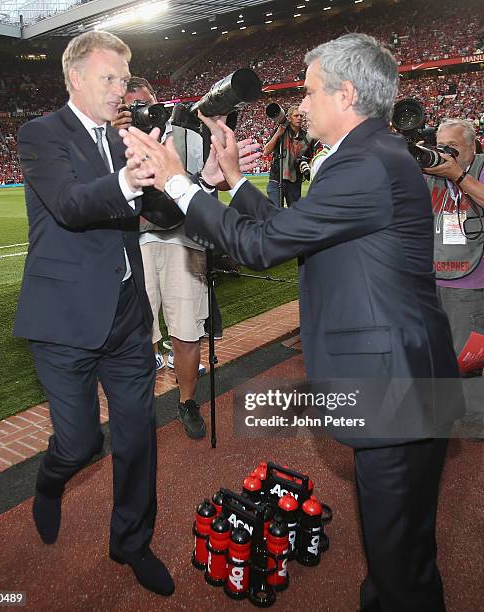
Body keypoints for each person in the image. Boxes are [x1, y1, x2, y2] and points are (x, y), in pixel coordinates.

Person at [121, 33, 463, 611]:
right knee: (397, 550)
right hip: (402, 376)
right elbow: (301, 227)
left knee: (401, 563)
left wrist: (179, 181)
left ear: (346, 93)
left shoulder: (367, 163)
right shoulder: (372, 155)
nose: (299, 107)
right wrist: (234, 182)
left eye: (307, 93)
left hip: (393, 387)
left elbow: (262, 248)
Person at [14, 31, 180, 596]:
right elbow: (70, 204)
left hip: (127, 320)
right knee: (82, 442)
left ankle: (131, 542)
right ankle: (51, 479)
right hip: (64, 323)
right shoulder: (41, 134)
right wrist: (129, 178)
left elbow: (157, 211)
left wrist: (187, 182)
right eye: (108, 79)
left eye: (124, 80)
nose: (120, 90)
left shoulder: (124, 138)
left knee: (137, 436)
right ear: (75, 79)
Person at [114, 76, 209, 439]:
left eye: (146, 101)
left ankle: (186, 402)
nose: (141, 109)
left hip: (182, 241)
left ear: (158, 101)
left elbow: (203, 184)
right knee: (140, 333)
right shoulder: (111, 139)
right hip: (136, 244)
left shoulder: (184, 130)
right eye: (132, 104)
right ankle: (143, 405)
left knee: (187, 331)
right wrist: (113, 137)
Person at [423, 118, 484, 421]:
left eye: (454, 148)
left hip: (469, 282)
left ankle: (475, 418)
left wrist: (458, 175)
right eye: (441, 147)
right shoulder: (430, 172)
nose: (446, 154)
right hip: (433, 278)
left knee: (468, 356)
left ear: (473, 147)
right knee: (438, 352)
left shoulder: (480, 167)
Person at [263, 104, 311, 207]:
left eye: (301, 116)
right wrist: (278, 134)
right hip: (276, 178)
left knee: (294, 214)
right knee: (274, 211)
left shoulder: (307, 137)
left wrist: (305, 164)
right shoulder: (280, 130)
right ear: (289, 118)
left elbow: (310, 158)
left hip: (295, 181)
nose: (299, 118)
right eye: (296, 116)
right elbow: (266, 151)